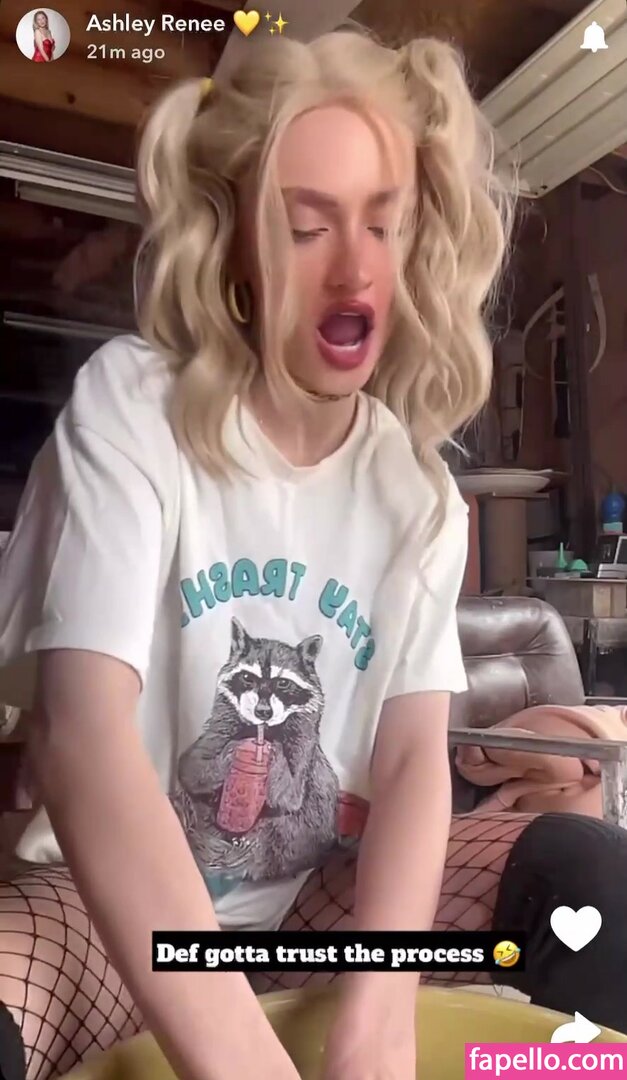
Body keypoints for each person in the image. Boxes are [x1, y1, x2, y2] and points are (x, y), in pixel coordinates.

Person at [0, 27, 515, 1080]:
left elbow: (413, 760)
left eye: (384, 223)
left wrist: (379, 1021)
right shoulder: (131, 407)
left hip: (305, 902)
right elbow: (79, 732)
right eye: (305, 227)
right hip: (101, 915)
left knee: (581, 881)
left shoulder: (418, 492)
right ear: (234, 240)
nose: (355, 268)